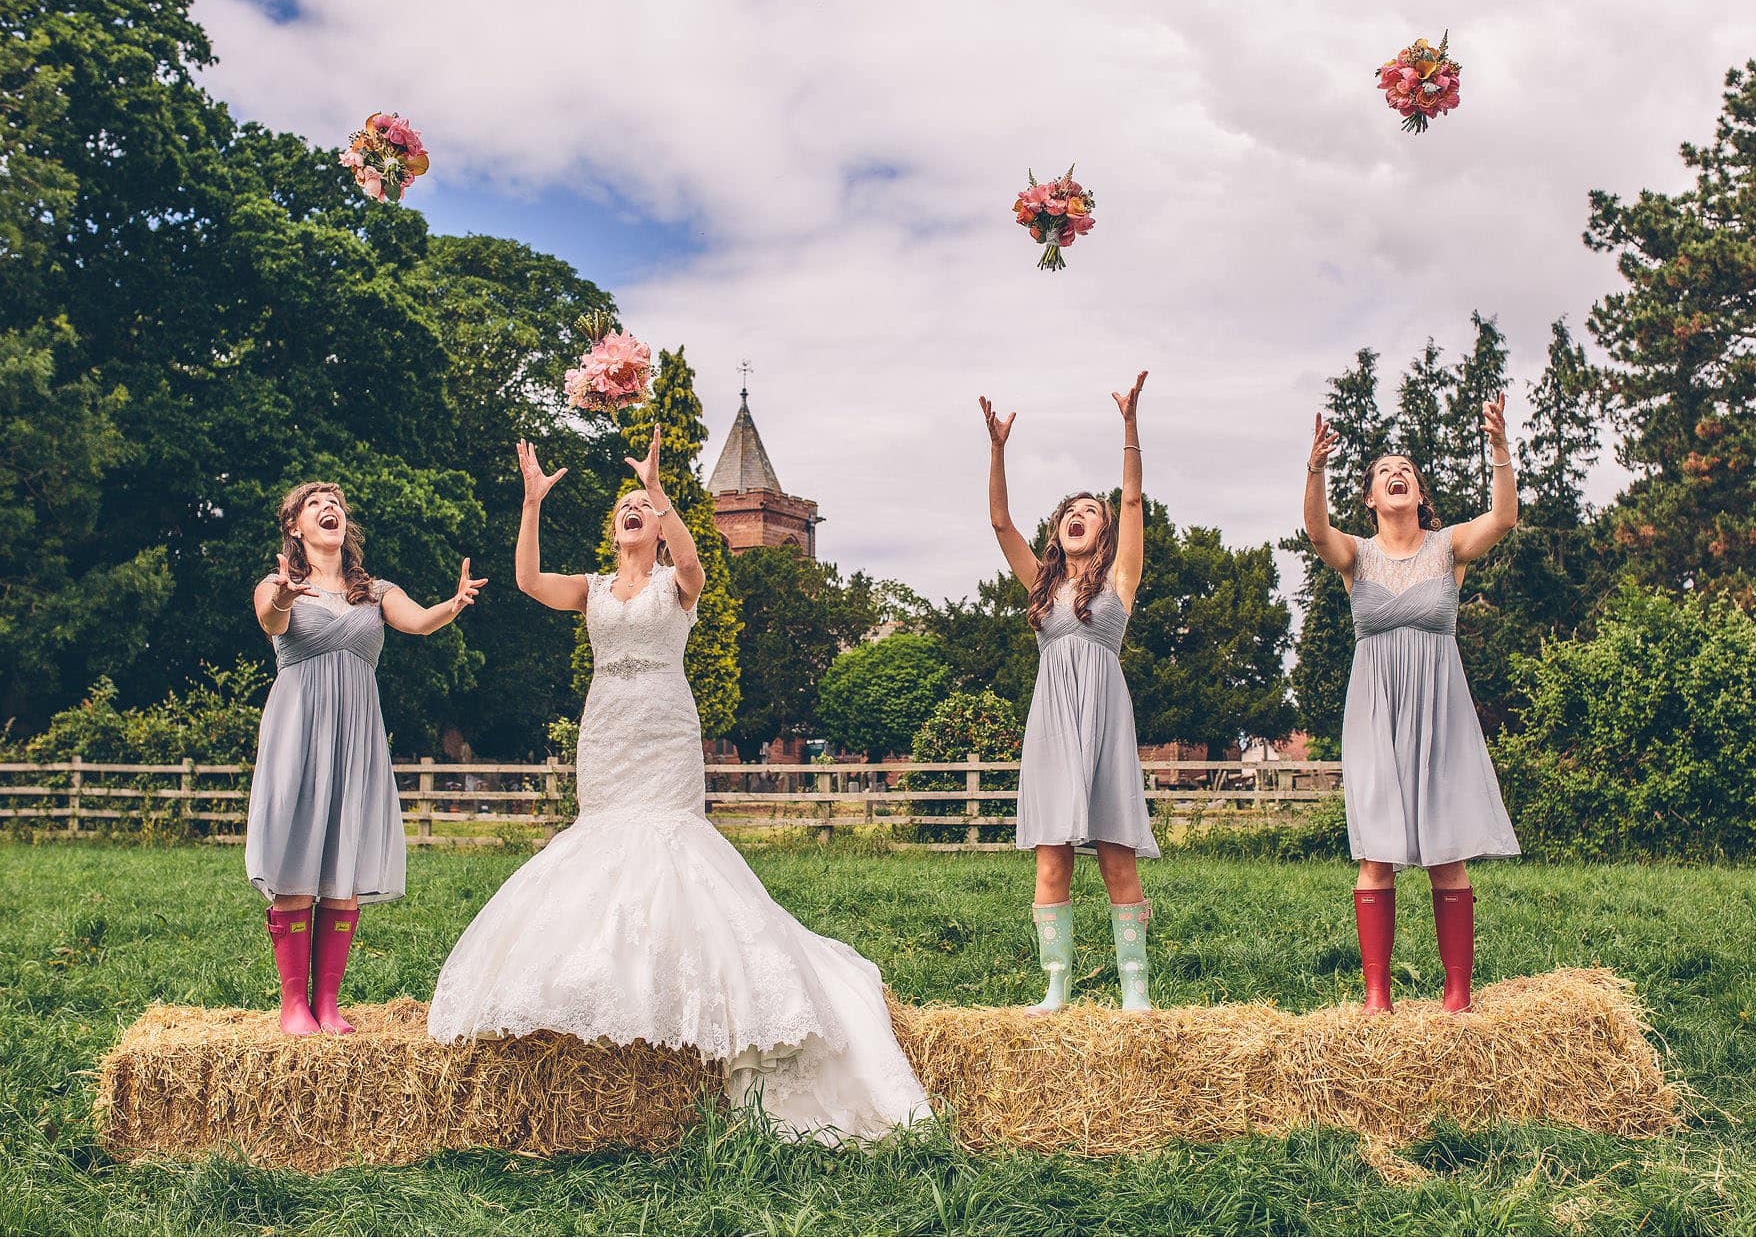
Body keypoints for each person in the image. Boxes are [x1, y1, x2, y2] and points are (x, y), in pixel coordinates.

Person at [427, 432, 929, 1142]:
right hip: (607, 734)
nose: (633, 510)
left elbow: (694, 560)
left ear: (657, 527)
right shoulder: (594, 589)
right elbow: (529, 582)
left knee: (670, 846)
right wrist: (532, 503)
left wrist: (660, 489)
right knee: (602, 844)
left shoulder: (676, 585)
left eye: (644, 507)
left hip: (664, 732)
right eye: (625, 506)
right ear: (613, 530)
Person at [1302, 394, 1522, 1013]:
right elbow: (1316, 530)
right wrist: (1315, 469)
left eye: (1407, 470)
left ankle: (1457, 998)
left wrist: (1500, 447)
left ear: (1420, 494)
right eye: (1381, 472)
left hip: (1440, 709)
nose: (1395, 474)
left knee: (1445, 854)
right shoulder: (1356, 556)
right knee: (1377, 852)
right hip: (1375, 712)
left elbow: (1502, 519)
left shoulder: (1447, 547)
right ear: (1371, 499)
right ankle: (1378, 999)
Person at [248, 481, 485, 1035]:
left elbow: (419, 621)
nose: (329, 508)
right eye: (315, 504)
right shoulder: (277, 583)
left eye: (336, 504)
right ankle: (292, 1007)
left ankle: (328, 1004)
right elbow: (271, 619)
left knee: (343, 861)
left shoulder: (374, 592)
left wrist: (452, 604)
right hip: (300, 732)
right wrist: (284, 593)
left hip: (356, 737)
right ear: (295, 527)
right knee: (298, 851)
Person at [980, 373, 1158, 1016]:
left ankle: (1134, 990)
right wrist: (998, 450)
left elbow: (1134, 503)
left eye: (1093, 513)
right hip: (1054, 726)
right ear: (1057, 531)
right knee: (1052, 861)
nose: (1080, 518)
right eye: (1070, 513)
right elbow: (999, 521)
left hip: (1106, 724)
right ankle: (1055, 986)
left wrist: (1129, 429)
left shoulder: (1120, 581)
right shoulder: (1038, 585)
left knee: (1117, 859)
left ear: (1105, 533)